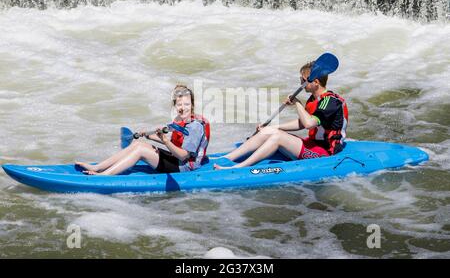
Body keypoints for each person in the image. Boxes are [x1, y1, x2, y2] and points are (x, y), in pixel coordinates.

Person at [214, 58, 348, 170]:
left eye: (303, 80)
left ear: (316, 82)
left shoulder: (330, 102)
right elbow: (302, 123)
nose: (300, 83)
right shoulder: (313, 99)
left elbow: (308, 124)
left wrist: (297, 103)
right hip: (312, 145)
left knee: (277, 137)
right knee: (269, 132)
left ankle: (239, 168)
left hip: (325, 154)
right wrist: (274, 127)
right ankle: (226, 158)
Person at [75, 85, 210, 175]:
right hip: (177, 160)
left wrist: (165, 141)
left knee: (141, 151)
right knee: (138, 144)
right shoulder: (179, 120)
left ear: (192, 105)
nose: (183, 108)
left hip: (185, 168)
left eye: (186, 104)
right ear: (174, 106)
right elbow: (174, 144)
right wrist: (150, 137)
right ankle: (98, 167)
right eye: (179, 104)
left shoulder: (195, 126)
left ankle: (104, 176)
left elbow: (183, 155)